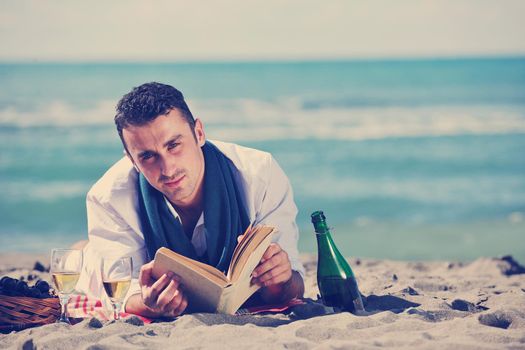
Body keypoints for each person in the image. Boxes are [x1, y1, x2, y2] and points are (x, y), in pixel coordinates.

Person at [76, 82, 305, 318]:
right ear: (132, 160)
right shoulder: (108, 197)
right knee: (87, 264)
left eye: (173, 145)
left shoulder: (260, 174)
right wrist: (150, 303)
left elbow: (294, 284)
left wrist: (280, 276)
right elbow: (121, 295)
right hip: (101, 262)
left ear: (199, 133)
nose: (168, 168)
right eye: (147, 156)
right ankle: (85, 251)